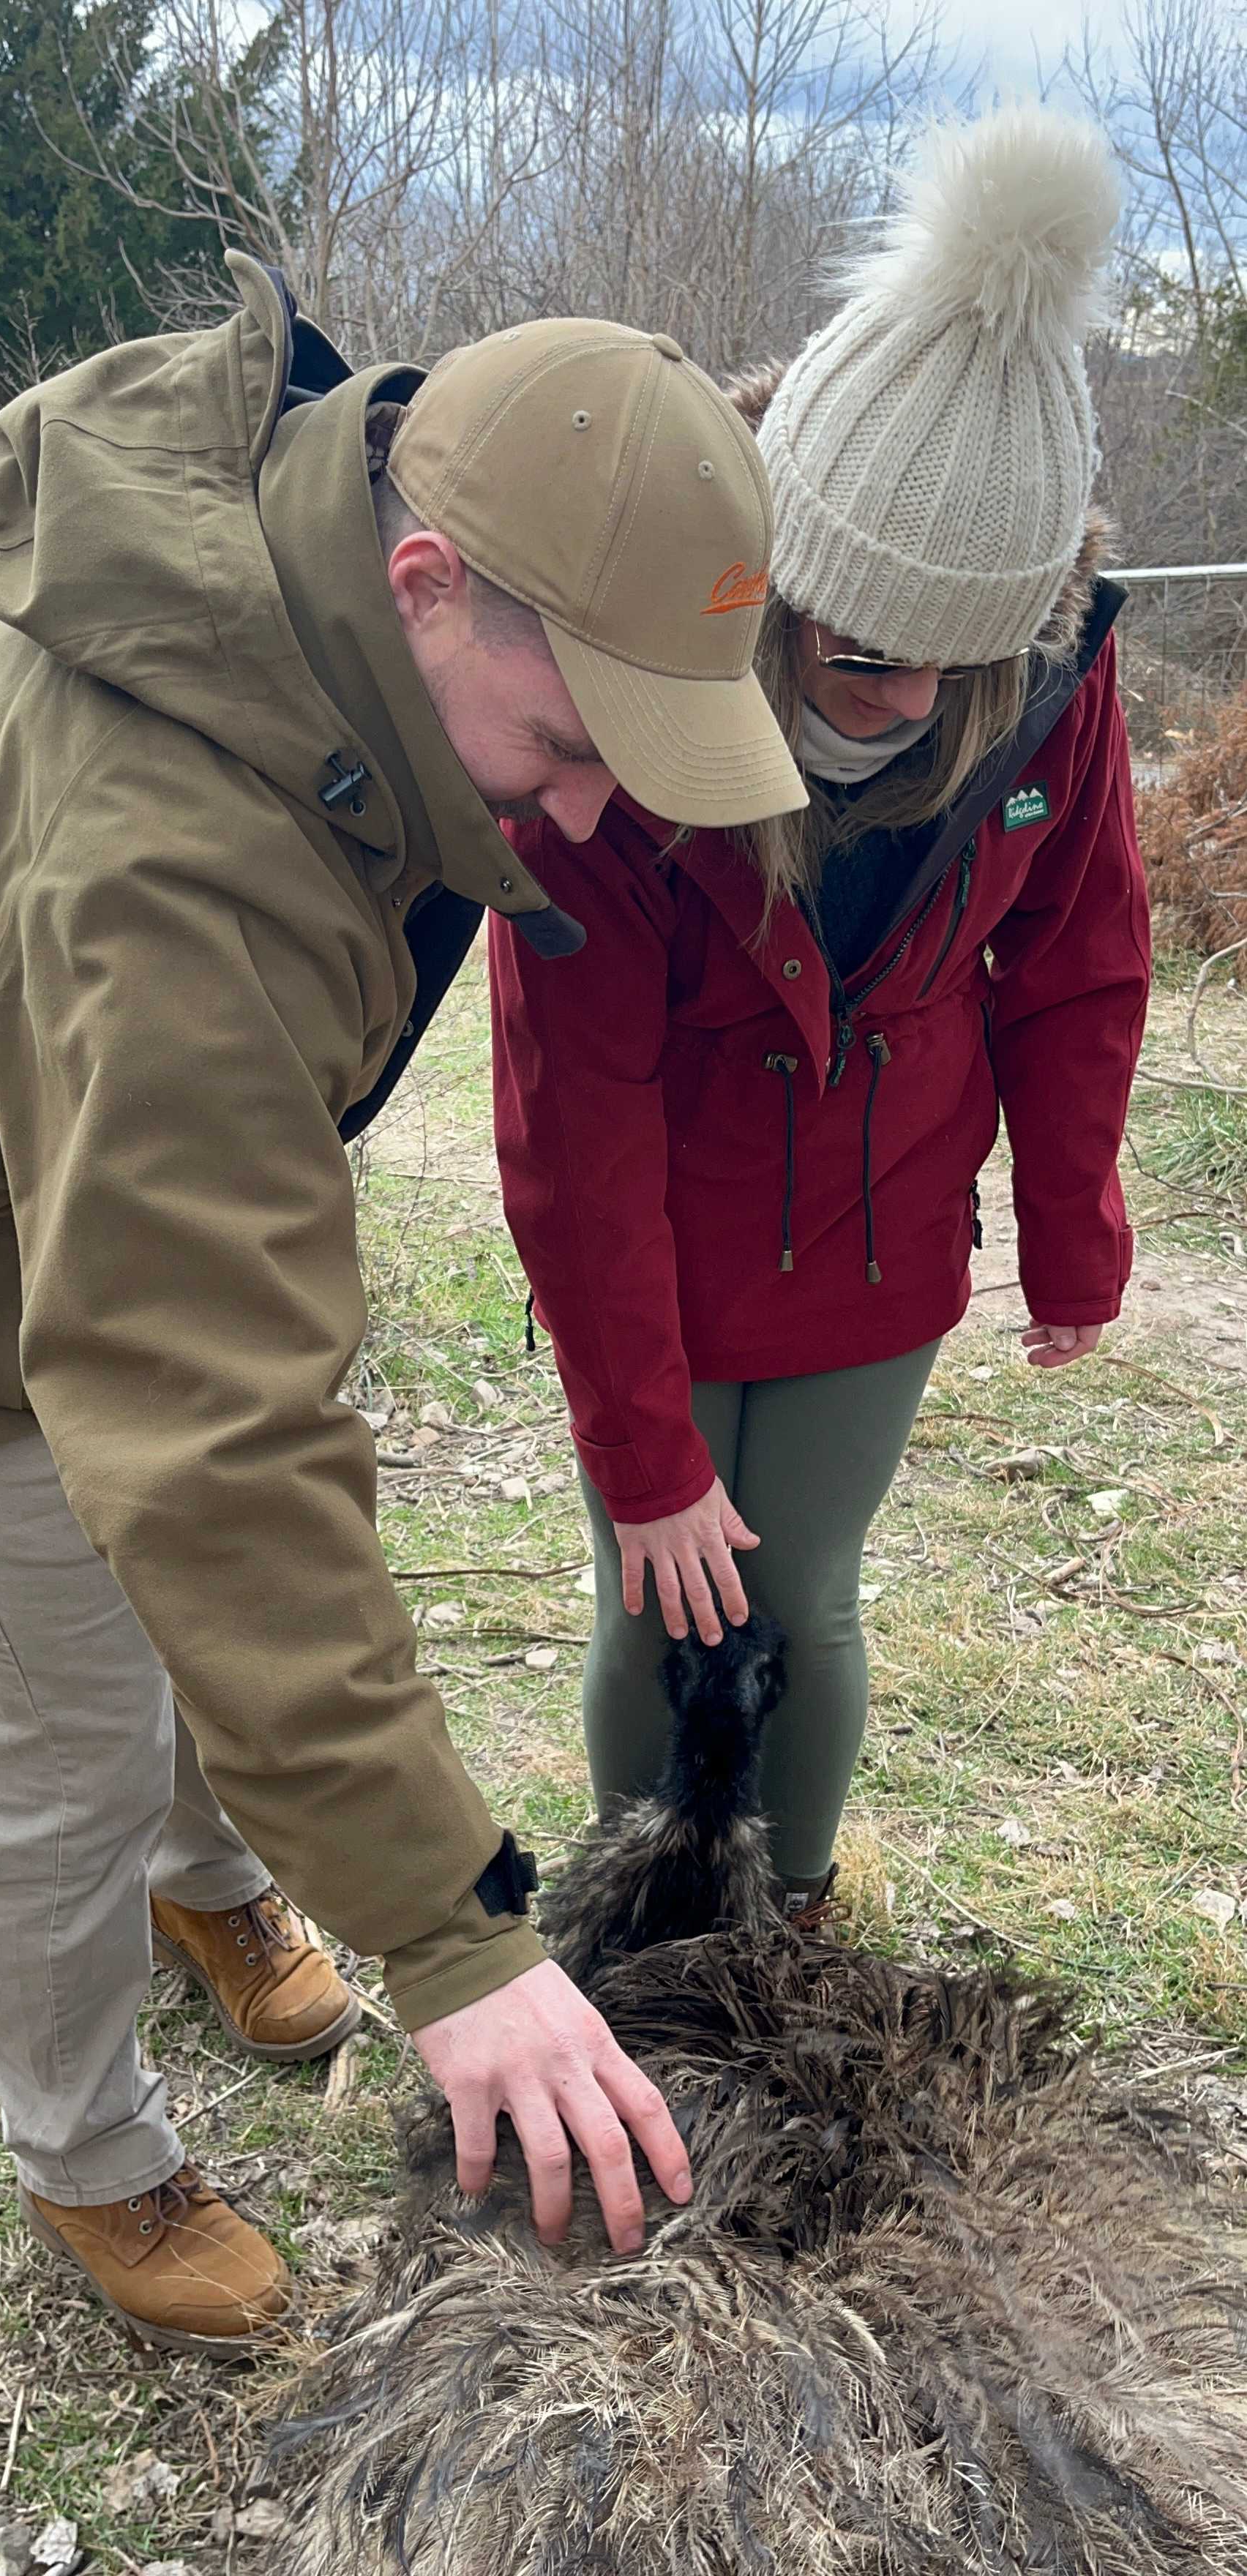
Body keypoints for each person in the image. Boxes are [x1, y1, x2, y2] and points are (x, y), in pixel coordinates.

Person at [0, 261, 808, 2352]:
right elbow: (209, 1436)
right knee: (63, 1743)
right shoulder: (161, 855)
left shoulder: (318, 582)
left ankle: (212, 1881)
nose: (590, 814)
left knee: (175, 1617)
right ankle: (87, 2148)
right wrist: (459, 1937)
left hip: (92, 1155)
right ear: (428, 582)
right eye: (572, 743)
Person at [490, 109, 1151, 1920]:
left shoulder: (1053, 680)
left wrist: (1073, 1231)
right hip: (666, 1217)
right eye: (865, 651)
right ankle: (647, 1923)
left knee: (807, 1594)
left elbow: (1082, 954)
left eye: (965, 657)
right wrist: (648, 1452)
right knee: (664, 1588)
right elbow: (574, 1101)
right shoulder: (629, 714)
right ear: (783, 595)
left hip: (886, 1216)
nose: (915, 696)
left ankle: (785, 1920)